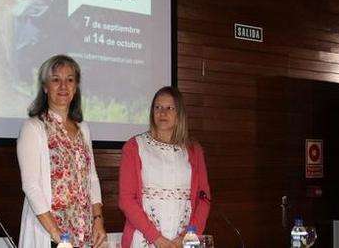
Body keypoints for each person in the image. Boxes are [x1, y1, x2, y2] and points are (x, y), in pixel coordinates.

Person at [17, 55, 107, 248]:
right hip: (51, 235)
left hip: (84, 231)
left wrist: (98, 220)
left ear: (76, 87)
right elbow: (31, 186)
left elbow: (92, 178)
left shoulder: (83, 128)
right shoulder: (33, 128)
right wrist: (58, 235)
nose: (63, 86)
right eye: (56, 80)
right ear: (45, 87)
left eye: (70, 80)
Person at [119, 86, 211, 248]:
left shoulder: (194, 150)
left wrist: (188, 236)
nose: (163, 112)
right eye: (158, 107)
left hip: (185, 240)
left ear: (179, 114)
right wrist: (156, 238)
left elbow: (204, 199)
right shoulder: (134, 146)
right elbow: (126, 199)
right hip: (145, 240)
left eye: (170, 108)